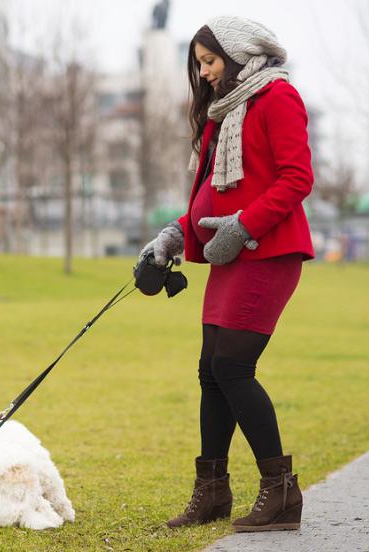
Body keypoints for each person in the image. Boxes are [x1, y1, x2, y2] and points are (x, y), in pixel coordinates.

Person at [139, 16, 314, 532]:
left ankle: (281, 492)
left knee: (233, 367)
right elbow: (211, 198)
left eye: (210, 61)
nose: (205, 72)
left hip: (267, 252)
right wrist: (172, 236)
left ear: (238, 54)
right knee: (211, 371)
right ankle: (212, 491)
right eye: (199, 64)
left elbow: (297, 178)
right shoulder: (225, 111)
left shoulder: (277, 97)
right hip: (230, 255)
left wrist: (243, 227)